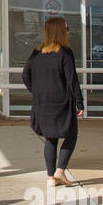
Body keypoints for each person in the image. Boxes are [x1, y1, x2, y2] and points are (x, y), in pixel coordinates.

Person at [21, 16, 85, 186]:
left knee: (50, 139)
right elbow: (72, 80)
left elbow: (25, 74)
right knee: (71, 135)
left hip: (42, 103)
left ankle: (50, 177)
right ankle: (60, 171)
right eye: (66, 29)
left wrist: (36, 90)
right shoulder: (65, 52)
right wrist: (79, 102)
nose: (68, 32)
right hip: (62, 103)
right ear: (60, 32)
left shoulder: (37, 53)